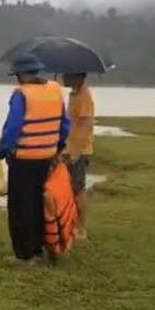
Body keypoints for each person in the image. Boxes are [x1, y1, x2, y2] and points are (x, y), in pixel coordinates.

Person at [0, 54, 71, 264]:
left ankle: (24, 255)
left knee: (20, 207)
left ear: (20, 75)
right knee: (37, 204)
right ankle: (38, 248)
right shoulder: (55, 89)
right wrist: (57, 148)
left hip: (23, 159)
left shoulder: (21, 94)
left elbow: (13, 129)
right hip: (46, 158)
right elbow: (65, 125)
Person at [64, 72, 95, 240]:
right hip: (69, 149)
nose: (63, 76)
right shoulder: (73, 94)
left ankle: (82, 228)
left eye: (67, 74)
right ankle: (72, 223)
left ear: (77, 75)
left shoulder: (84, 95)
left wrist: (76, 150)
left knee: (78, 190)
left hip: (80, 151)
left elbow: (86, 124)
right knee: (69, 189)